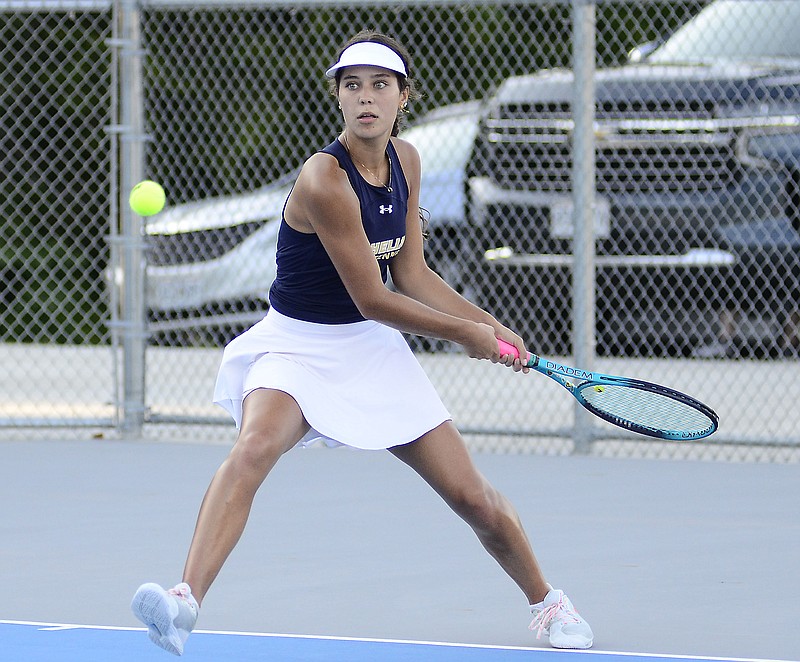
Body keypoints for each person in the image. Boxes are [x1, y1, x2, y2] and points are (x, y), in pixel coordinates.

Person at [131, 30, 594, 656]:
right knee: (254, 448)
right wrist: (465, 335)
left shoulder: (407, 161)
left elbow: (411, 273)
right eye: (353, 85)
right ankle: (183, 602)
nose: (366, 97)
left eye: (381, 85)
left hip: (370, 350)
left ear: (404, 97)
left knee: (472, 496)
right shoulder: (324, 180)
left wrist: (487, 323)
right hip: (296, 345)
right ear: (338, 97)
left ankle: (549, 604)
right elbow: (371, 297)